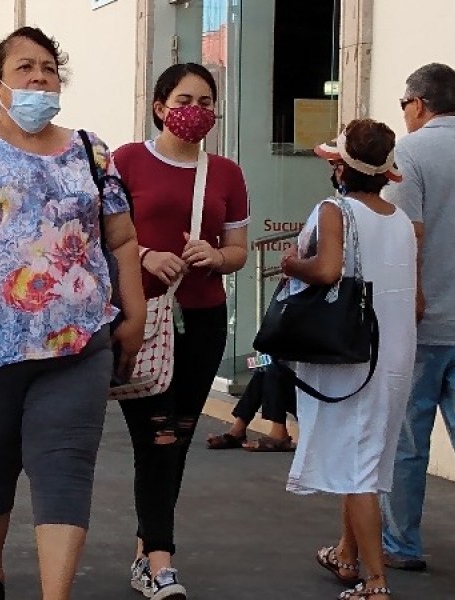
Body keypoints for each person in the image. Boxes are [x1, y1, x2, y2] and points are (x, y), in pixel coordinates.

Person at [0, 26, 146, 600]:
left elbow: (121, 240)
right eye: (25, 69)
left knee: (65, 468)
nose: (39, 77)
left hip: (77, 343)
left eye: (48, 68)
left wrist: (131, 314)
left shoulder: (92, 150)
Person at [113, 63, 249, 599]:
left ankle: (147, 550)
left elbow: (238, 249)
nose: (197, 109)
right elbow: (101, 234)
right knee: (158, 435)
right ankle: (161, 561)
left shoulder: (227, 174)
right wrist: (146, 254)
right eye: (185, 98)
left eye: (207, 100)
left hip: (203, 319)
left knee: (180, 437)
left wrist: (215, 255)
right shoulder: (126, 161)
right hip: (142, 318)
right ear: (159, 106)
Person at [284, 119, 416, 600]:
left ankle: (375, 582)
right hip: (394, 353)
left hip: (352, 355)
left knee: (359, 468)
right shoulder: (398, 219)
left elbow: (327, 269)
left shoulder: (334, 210)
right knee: (367, 459)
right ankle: (346, 553)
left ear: (340, 167)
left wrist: (291, 264)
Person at [380, 63, 455, 574]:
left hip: (423, 324)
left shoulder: (410, 152)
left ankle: (400, 543)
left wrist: (412, 300)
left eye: (404, 104)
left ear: (418, 104)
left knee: (407, 439)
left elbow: (406, 235)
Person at [206, 361, 296, 452]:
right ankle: (238, 430)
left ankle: (279, 434)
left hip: (309, 399)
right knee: (264, 367)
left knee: (275, 368)